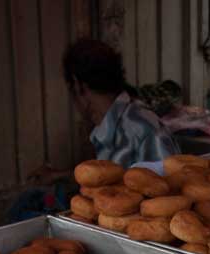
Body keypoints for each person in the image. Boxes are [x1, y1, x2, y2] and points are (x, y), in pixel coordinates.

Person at [28, 38, 178, 187]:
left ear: (77, 84)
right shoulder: (107, 130)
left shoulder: (143, 129)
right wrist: (58, 176)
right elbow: (110, 179)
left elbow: (169, 189)